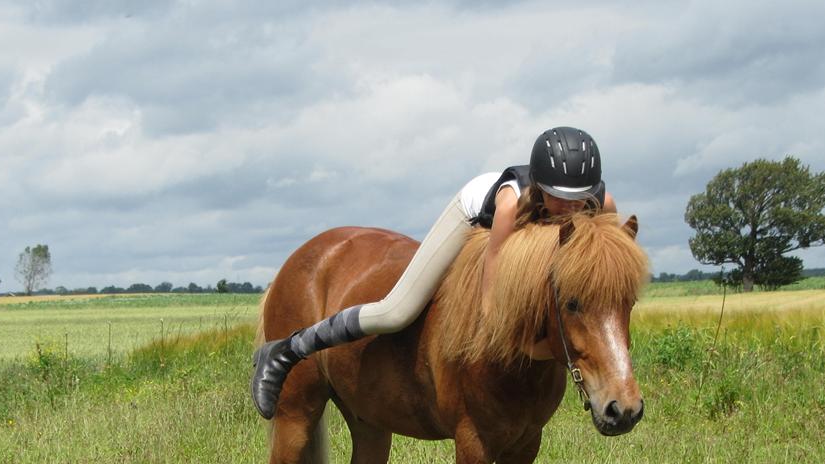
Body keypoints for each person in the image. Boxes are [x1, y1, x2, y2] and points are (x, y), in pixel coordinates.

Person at [251, 126, 617, 418]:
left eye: (578, 197)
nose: (569, 207)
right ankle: (287, 350)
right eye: (558, 197)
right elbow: (491, 303)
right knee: (396, 312)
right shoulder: (511, 203)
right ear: (539, 188)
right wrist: (532, 346)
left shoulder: (603, 205)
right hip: (476, 218)